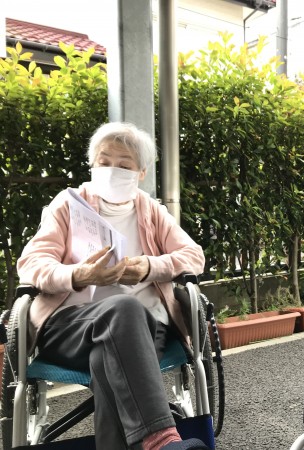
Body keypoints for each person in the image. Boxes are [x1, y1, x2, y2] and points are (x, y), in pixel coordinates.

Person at [17, 122, 209, 450]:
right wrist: (79, 275)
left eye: (123, 165)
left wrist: (149, 267)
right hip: (71, 329)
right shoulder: (68, 204)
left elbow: (194, 256)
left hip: (143, 333)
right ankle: (162, 440)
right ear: (92, 165)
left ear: (141, 173)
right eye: (104, 162)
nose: (111, 170)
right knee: (124, 307)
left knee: (106, 358)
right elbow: (31, 264)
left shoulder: (151, 210)